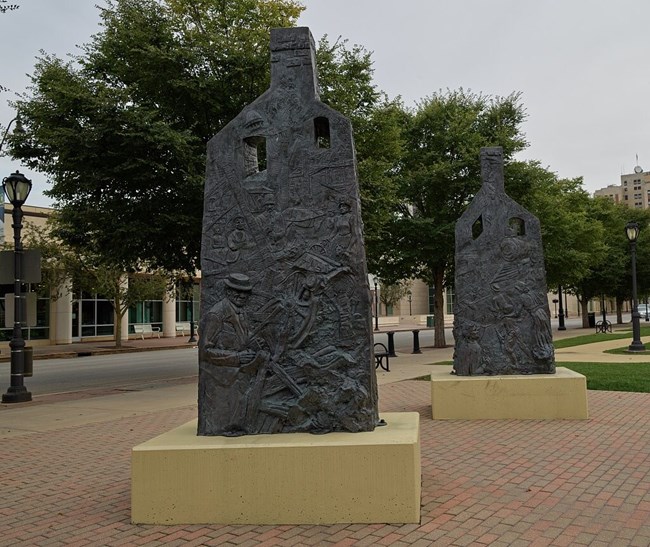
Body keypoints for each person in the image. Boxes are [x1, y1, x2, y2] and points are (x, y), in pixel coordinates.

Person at [199, 273, 269, 436]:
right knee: (224, 422)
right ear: (228, 292)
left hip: (238, 376)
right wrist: (236, 358)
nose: (241, 295)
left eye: (245, 292)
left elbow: (242, 338)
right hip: (222, 378)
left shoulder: (240, 312)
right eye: (236, 291)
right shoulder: (217, 314)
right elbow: (205, 351)